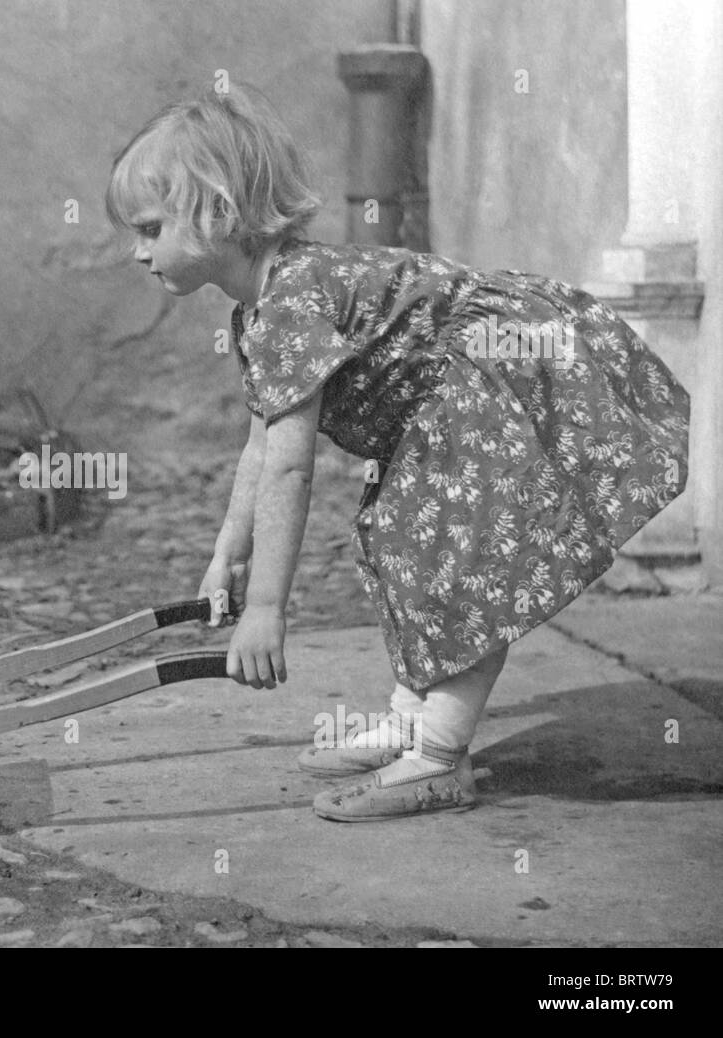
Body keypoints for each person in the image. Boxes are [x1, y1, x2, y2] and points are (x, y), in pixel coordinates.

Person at [104, 83, 690, 821]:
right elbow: (262, 444)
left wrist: (266, 610)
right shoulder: (261, 306)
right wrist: (228, 552)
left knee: (458, 563)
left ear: (219, 213)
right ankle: (414, 724)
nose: (137, 251)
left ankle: (440, 758)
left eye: (151, 229)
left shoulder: (293, 298)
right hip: (447, 409)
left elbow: (292, 464)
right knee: (406, 545)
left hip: (491, 384)